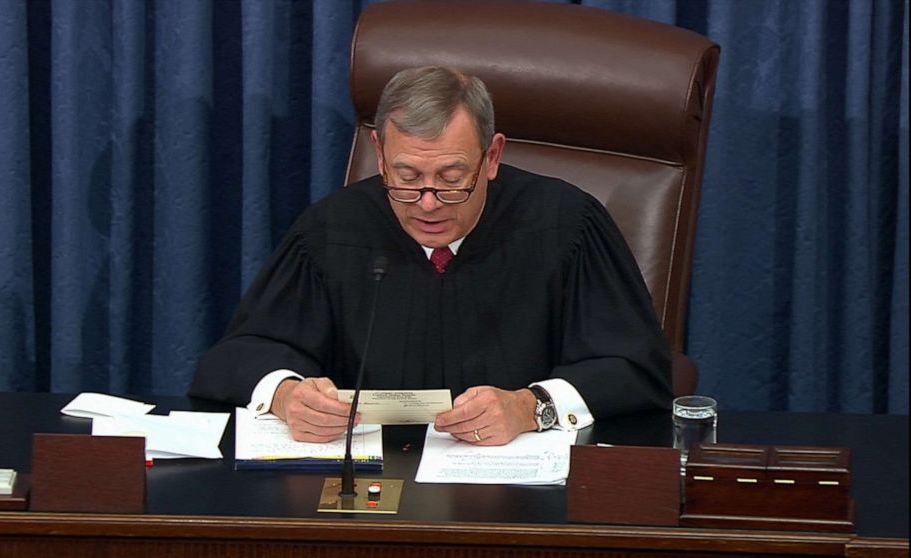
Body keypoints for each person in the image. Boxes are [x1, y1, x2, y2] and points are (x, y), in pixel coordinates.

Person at [189, 66, 671, 445]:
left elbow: (635, 369)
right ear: (379, 155)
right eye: (405, 176)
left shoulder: (566, 224)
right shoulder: (334, 228)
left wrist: (531, 406)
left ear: (492, 156)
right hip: (367, 493)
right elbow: (237, 356)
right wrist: (286, 394)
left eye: (450, 178)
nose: (427, 203)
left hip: (522, 494)